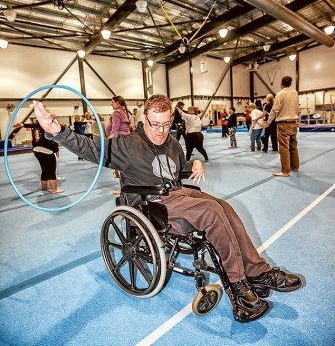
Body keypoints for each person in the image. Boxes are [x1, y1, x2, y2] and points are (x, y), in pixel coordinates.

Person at [30, 95, 301, 323]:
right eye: (155, 124)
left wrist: (193, 163)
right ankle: (238, 285)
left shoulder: (171, 142)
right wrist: (57, 131)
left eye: (166, 124)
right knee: (212, 213)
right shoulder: (126, 145)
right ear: (144, 120)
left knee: (225, 207)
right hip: (152, 204)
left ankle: (258, 272)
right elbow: (90, 148)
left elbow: (175, 168)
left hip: (177, 193)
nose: (161, 131)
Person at [13, 120, 63, 194]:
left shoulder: (36, 124)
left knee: (44, 169)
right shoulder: (47, 125)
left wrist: (22, 124)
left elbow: (28, 125)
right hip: (46, 149)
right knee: (51, 169)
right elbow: (53, 139)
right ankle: (54, 189)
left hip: (36, 150)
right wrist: (56, 149)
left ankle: (44, 187)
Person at [264, 76, 300, 177]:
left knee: (284, 147)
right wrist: (297, 119)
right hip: (293, 121)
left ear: (281, 84)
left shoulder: (280, 94)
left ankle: (285, 171)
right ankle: (295, 166)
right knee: (293, 146)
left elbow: (274, 109)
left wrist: (268, 121)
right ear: (290, 83)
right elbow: (297, 107)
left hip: (284, 123)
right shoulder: (295, 93)